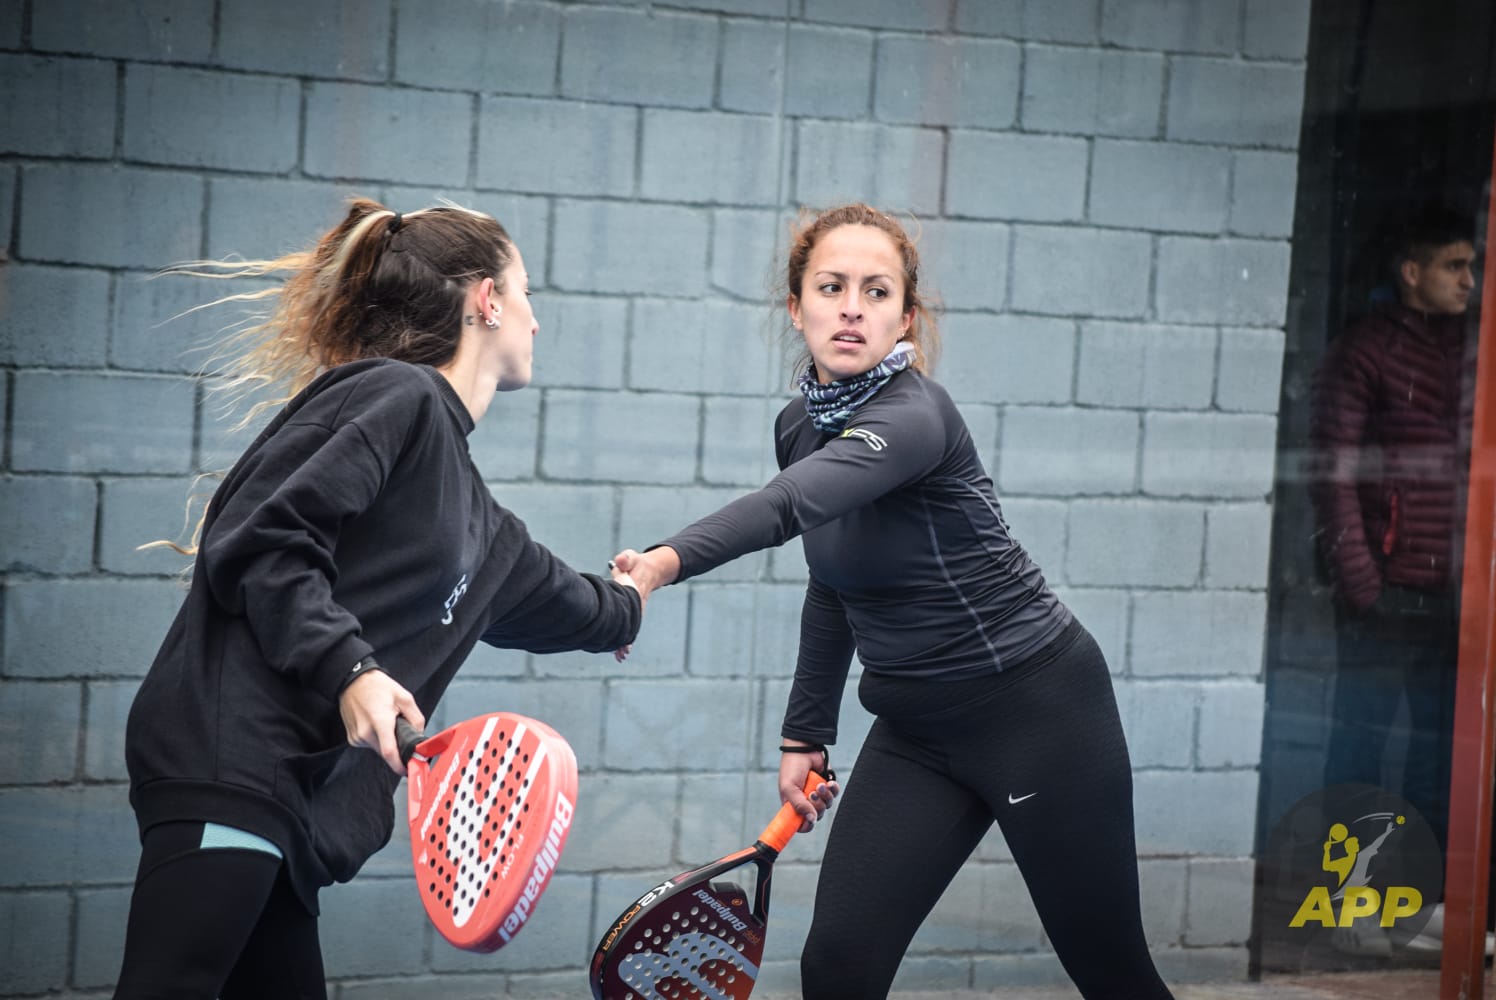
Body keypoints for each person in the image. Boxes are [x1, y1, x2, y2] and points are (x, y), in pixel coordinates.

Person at [611, 203, 1174, 999]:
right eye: (831, 287)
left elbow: (786, 508)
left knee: (1111, 970)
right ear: (796, 307)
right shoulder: (798, 426)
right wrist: (806, 730)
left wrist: (659, 566)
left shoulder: (916, 417)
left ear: (905, 317)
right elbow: (833, 581)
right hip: (917, 731)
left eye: (875, 292)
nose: (851, 308)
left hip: (1037, 712)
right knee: (838, 965)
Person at [113, 198, 643, 999]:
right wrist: (352, 670)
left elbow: (586, 607)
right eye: (526, 293)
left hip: (292, 807)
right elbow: (264, 541)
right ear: (487, 300)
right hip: (233, 760)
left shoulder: (485, 531)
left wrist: (643, 585)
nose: (536, 320)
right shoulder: (397, 396)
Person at [1309, 210, 1477, 955]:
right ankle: (1347, 908)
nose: (1469, 281)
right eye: (1453, 266)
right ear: (1412, 273)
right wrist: (1363, 585)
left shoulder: (1473, 354)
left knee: (1441, 759)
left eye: (1472, 266)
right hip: (1384, 592)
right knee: (1361, 754)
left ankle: (1422, 907)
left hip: (1454, 594)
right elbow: (1332, 472)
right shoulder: (1365, 351)